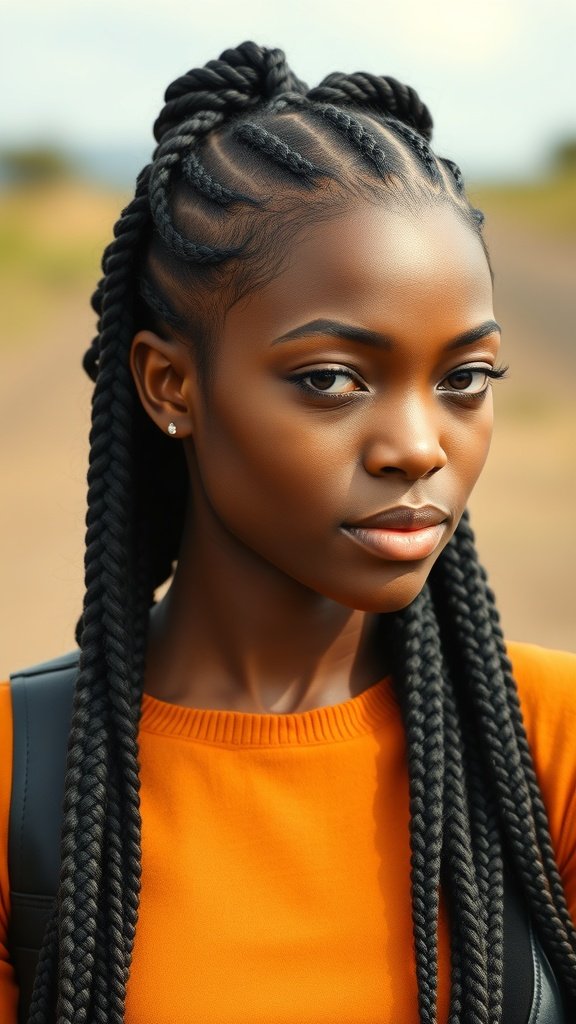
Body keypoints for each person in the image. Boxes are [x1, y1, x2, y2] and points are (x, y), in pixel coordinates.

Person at [1, 39, 576, 1024]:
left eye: (464, 379)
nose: (417, 447)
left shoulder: (550, 743)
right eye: (331, 379)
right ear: (169, 384)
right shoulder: (20, 771)